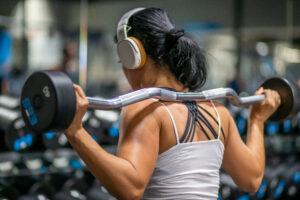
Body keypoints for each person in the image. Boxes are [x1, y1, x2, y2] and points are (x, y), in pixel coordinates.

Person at [65, 8, 281, 199]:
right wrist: (257, 120)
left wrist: (76, 132)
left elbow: (130, 189)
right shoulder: (218, 112)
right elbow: (251, 180)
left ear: (133, 56)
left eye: (123, 62)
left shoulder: (145, 109)